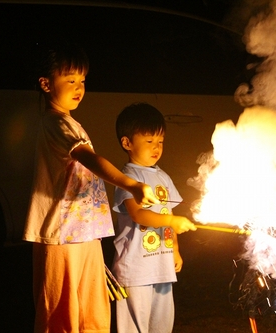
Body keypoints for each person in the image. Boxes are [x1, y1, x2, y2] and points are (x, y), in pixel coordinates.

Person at [22, 43, 159, 333]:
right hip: (61, 236)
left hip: (85, 233)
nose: (78, 87)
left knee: (92, 307)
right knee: (61, 311)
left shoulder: (69, 123)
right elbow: (90, 159)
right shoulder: (56, 125)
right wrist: (132, 184)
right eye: (70, 80)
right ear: (46, 84)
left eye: (82, 80)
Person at [111, 102, 197, 333]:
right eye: (149, 141)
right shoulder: (127, 177)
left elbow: (169, 214)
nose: (156, 147)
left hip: (162, 265)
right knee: (134, 327)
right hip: (135, 268)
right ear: (127, 143)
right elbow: (138, 214)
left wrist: (175, 250)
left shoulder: (163, 177)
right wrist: (170, 222)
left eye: (160, 141)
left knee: (161, 325)